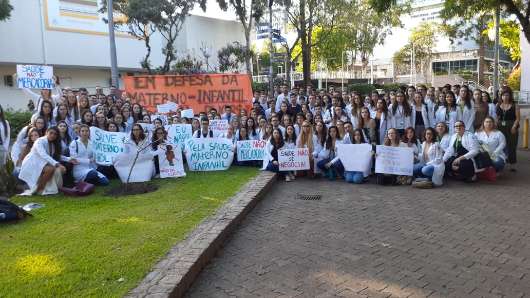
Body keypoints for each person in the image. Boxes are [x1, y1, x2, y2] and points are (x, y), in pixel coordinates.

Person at [19, 127, 78, 195]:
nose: (53, 135)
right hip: (31, 163)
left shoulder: (52, 144)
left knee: (53, 169)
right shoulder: (40, 141)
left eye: (55, 134)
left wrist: (69, 159)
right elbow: (43, 154)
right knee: (50, 169)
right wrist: (58, 164)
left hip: (41, 162)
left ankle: (48, 188)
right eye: (51, 133)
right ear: (46, 133)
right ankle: (39, 189)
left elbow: (56, 156)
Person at [496, 88, 520, 171]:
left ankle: (512, 164)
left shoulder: (514, 105)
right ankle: (501, 162)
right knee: (501, 145)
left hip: (511, 126)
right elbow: (497, 117)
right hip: (500, 126)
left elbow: (517, 118)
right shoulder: (498, 105)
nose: (505, 97)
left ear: (510, 96)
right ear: (501, 96)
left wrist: (514, 127)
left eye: (507, 95)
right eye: (503, 95)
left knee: (512, 146)